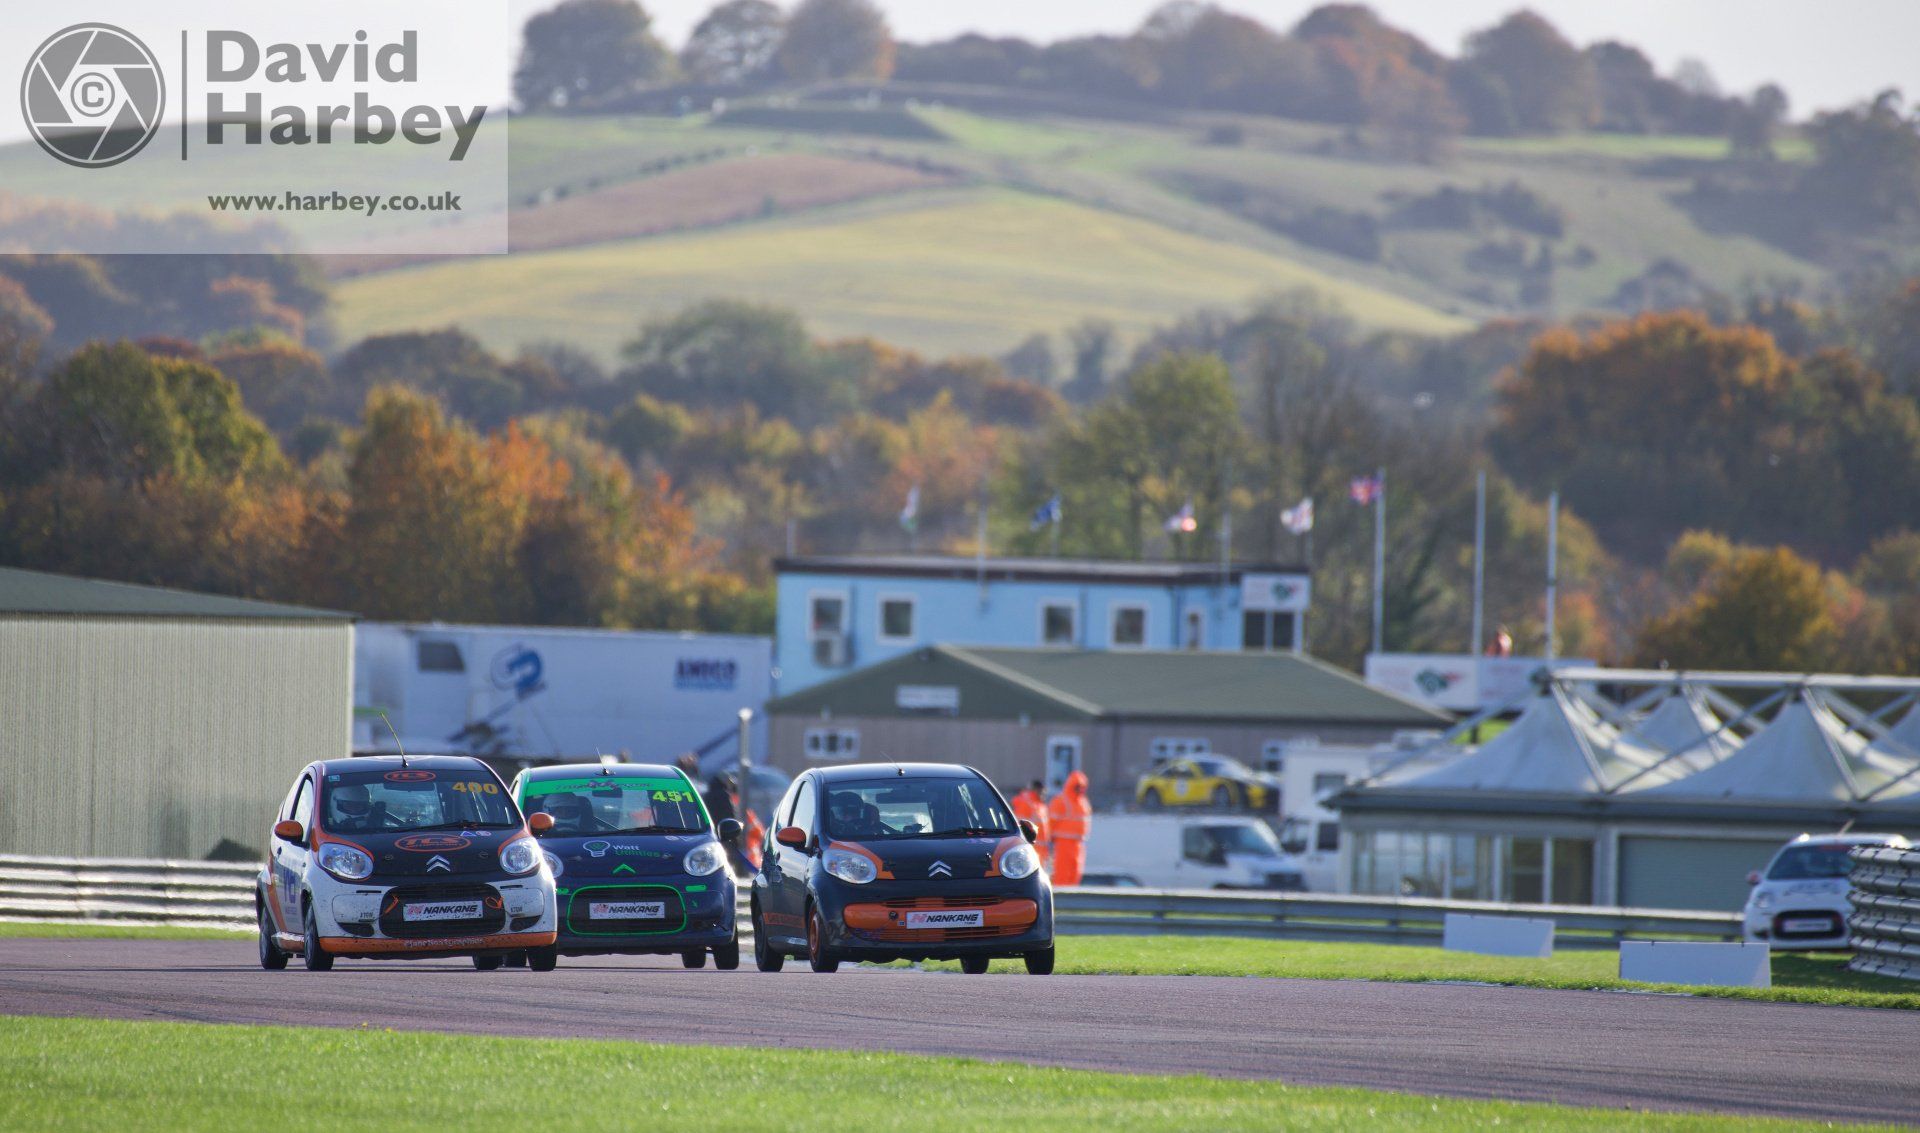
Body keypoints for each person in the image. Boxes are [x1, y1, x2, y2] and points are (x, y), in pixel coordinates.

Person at [1046, 771, 1091, 886]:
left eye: (1082, 787)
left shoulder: (1083, 803)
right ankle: (1060, 899)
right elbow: (1050, 823)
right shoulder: (1061, 801)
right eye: (1077, 787)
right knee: (1062, 873)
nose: (1080, 789)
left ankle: (1072, 899)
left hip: (1078, 844)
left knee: (1075, 873)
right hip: (1063, 843)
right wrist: (1049, 842)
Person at [1009, 779, 1051, 867]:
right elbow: (1020, 825)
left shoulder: (1040, 805)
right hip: (1031, 848)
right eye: (1041, 791)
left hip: (1040, 850)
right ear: (1035, 789)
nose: (1044, 794)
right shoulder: (1026, 802)